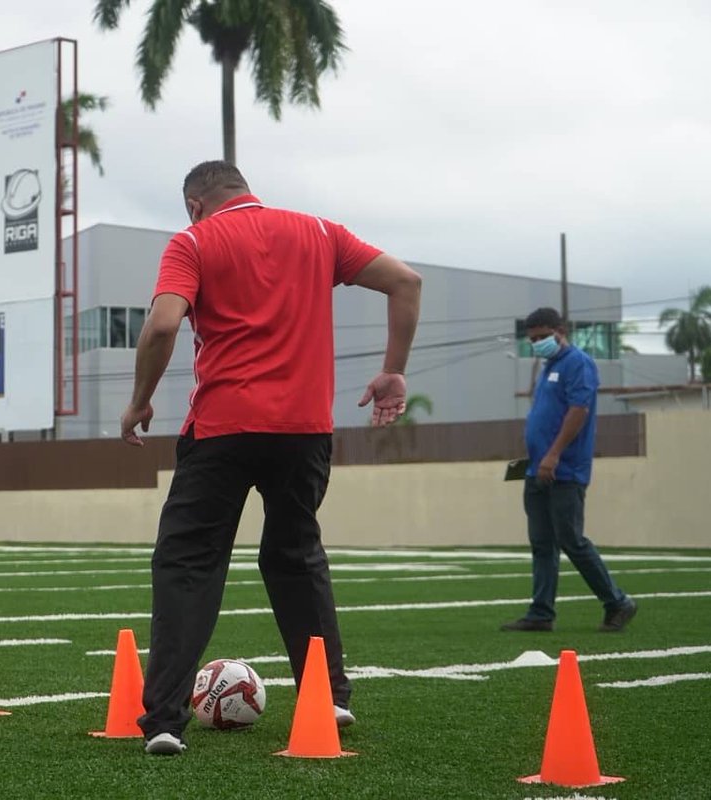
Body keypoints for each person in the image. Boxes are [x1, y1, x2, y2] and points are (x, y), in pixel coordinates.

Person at [119, 161, 422, 755]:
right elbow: (406, 281)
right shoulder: (320, 232)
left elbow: (161, 326)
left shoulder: (193, 241)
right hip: (305, 430)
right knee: (295, 554)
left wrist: (139, 402)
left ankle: (163, 722)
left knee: (188, 562)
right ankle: (328, 697)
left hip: (223, 429)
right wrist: (394, 371)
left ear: (194, 204)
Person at [501, 307, 636, 634]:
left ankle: (617, 601)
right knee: (542, 543)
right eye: (532, 339)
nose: (537, 343)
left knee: (571, 540)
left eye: (543, 337)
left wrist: (554, 454)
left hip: (564, 470)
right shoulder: (548, 366)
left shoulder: (578, 363)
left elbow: (579, 410)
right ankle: (541, 612)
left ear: (561, 331)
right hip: (537, 470)